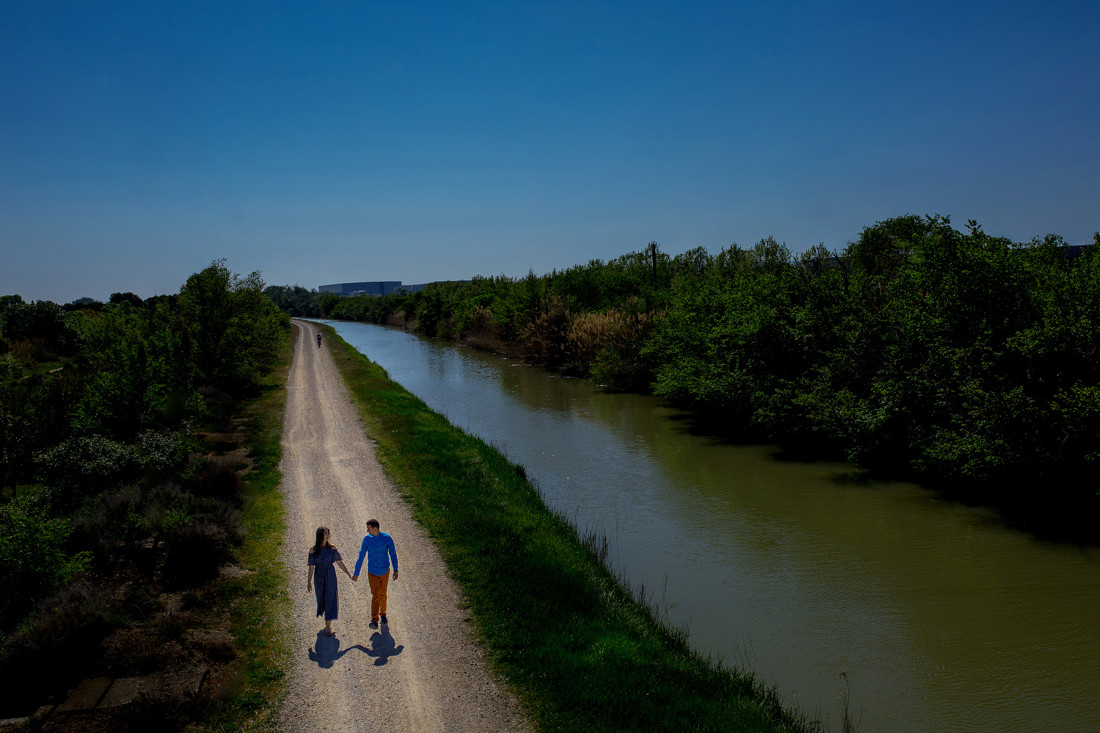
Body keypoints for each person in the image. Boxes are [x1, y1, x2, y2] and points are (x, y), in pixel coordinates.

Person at [352, 519, 399, 630]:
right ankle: (374, 620)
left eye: (368, 528)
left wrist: (396, 569)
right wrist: (356, 573)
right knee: (376, 594)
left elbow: (393, 554)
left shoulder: (387, 538)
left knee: (383, 593)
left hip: (384, 571)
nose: (367, 530)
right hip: (372, 572)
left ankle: (383, 614)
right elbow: (361, 556)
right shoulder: (367, 539)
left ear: (375, 528)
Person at [307, 526, 353, 637]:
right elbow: (311, 567)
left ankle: (328, 626)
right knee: (321, 598)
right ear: (320, 536)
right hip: (319, 576)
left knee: (331, 599)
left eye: (328, 533)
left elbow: (339, 562)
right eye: (325, 533)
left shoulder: (332, 548)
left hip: (330, 575)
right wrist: (308, 582)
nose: (327, 535)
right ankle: (325, 619)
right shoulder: (313, 550)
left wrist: (349, 574)